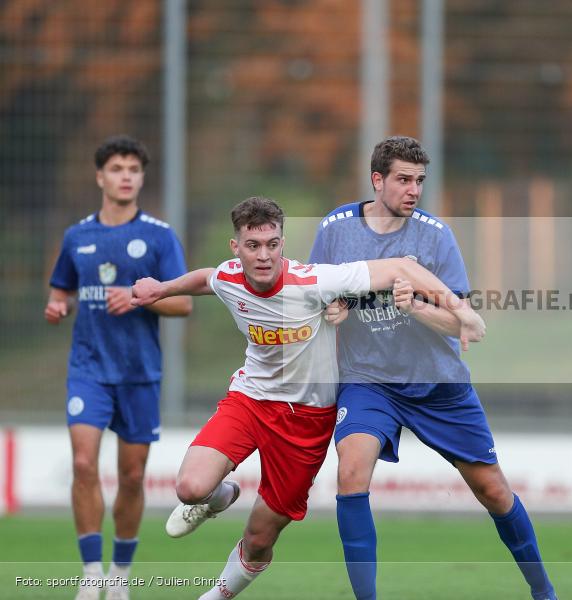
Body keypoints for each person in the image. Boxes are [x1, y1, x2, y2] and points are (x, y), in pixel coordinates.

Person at [130, 196, 484, 600]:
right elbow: (206, 278)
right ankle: (218, 497)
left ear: (282, 243)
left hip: (308, 420)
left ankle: (216, 595)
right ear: (237, 248)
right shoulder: (230, 278)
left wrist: (462, 311)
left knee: (260, 539)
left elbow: (402, 268)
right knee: (191, 487)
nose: (263, 255)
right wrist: (161, 288)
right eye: (253, 246)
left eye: (272, 244)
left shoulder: (315, 281)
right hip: (250, 400)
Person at [309, 136, 558, 600]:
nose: (413, 189)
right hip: (368, 380)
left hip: (437, 384)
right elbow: (314, 296)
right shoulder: (335, 229)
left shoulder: (436, 235)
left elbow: (461, 324)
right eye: (404, 179)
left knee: (494, 492)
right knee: (350, 472)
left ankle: (544, 593)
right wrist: (332, 310)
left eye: (420, 180)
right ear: (377, 180)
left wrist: (417, 308)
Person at [44, 135, 192, 600]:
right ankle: (91, 576)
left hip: (139, 373)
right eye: (117, 168)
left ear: (141, 178)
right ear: (100, 177)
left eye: (133, 169)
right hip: (88, 370)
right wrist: (57, 305)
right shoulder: (77, 237)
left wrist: (143, 297)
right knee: (84, 463)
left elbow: (184, 304)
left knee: (131, 476)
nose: (126, 176)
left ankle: (120, 577)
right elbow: (62, 289)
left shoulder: (158, 235)